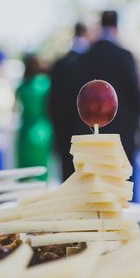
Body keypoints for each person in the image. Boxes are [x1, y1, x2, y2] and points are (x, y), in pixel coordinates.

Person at [71, 11, 140, 169]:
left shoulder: (84, 58)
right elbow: (135, 95)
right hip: (121, 134)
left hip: (89, 136)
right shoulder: (125, 56)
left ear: (101, 26)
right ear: (116, 27)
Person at [49, 22, 89, 180]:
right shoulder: (89, 62)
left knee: (67, 175)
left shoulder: (60, 63)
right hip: (84, 130)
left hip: (63, 129)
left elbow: (52, 101)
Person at [16, 53, 52, 180]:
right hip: (42, 129)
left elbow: (15, 108)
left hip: (25, 129)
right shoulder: (45, 83)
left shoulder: (21, 87)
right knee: (42, 171)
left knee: (24, 172)